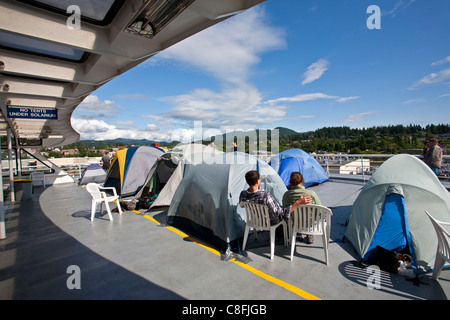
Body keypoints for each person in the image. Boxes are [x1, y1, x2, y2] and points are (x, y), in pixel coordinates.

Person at [239, 170, 312, 226]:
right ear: (258, 181)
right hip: (269, 222)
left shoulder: (243, 194)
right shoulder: (265, 195)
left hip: (256, 220)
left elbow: (241, 205)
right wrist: (297, 203)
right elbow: (281, 213)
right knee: (284, 212)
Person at [282, 172, 322, 244]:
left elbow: (285, 211)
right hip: (310, 224)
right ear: (302, 181)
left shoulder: (286, 195)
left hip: (294, 223)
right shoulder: (311, 194)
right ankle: (309, 234)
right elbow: (320, 211)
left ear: (290, 182)